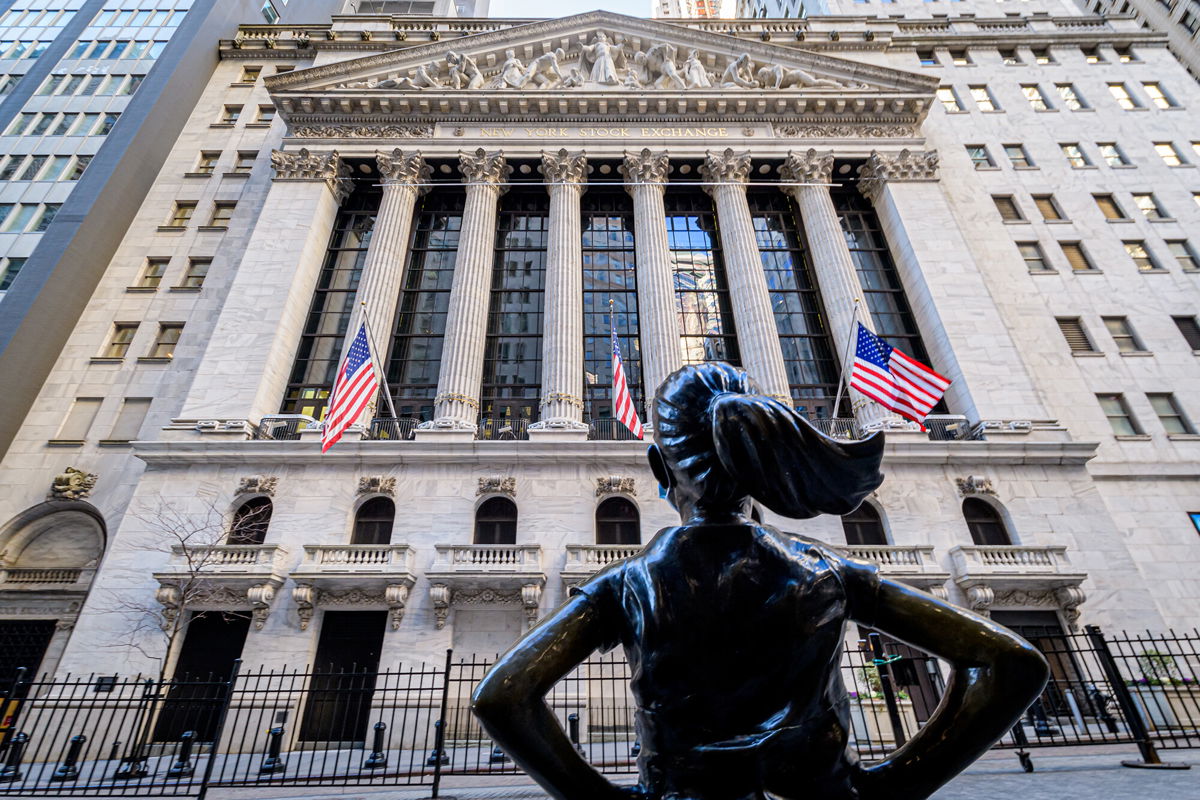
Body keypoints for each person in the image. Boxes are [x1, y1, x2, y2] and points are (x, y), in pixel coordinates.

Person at [473, 363, 1048, 800]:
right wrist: (892, 786)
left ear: (658, 467)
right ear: (760, 462)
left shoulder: (629, 583)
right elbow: (1012, 663)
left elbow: (502, 695)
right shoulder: (827, 571)